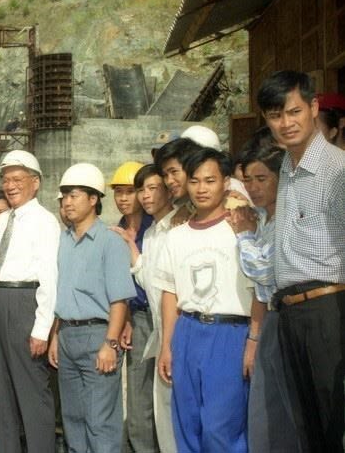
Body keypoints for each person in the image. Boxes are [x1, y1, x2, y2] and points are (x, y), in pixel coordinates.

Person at [257, 70, 345, 452]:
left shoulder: (338, 170)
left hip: (329, 313)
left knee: (335, 426)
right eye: (276, 115)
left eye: (294, 112)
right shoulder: (287, 169)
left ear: (313, 108)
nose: (286, 123)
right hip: (290, 315)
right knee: (307, 431)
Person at [155, 148, 264, 453]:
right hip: (187, 331)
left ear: (226, 182)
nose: (201, 189)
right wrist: (167, 345)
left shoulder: (242, 228)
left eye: (210, 180)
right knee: (187, 425)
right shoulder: (176, 236)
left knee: (221, 428)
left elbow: (260, 289)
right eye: (194, 181)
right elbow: (170, 293)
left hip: (230, 333)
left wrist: (253, 339)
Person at [49, 163, 135, 453]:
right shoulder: (62, 241)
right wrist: (56, 336)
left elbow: (119, 299)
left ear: (93, 198)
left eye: (74, 196)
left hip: (98, 335)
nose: (67, 202)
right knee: (73, 419)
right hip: (67, 335)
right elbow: (61, 294)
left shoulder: (110, 241)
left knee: (101, 420)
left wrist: (110, 343)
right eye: (65, 197)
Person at [0, 149, 60, 453]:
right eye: (6, 179)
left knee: (32, 390)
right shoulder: (3, 219)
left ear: (35, 182)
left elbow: (49, 276)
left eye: (17, 179)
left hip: (23, 300)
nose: (10, 185)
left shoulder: (45, 221)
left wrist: (42, 328)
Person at [227, 145, 305, 453]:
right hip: (269, 320)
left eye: (262, 179)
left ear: (280, 177)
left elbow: (261, 271)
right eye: (248, 180)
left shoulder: (287, 219)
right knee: (266, 409)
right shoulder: (260, 217)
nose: (253, 187)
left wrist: (244, 235)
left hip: (291, 319)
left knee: (287, 408)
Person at [107, 161, 158, 453]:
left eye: (130, 191)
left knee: (152, 396)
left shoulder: (155, 228)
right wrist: (125, 318)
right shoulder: (118, 229)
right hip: (134, 317)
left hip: (159, 315)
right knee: (136, 396)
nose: (123, 198)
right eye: (119, 192)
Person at [131, 164, 178, 453]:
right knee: (161, 411)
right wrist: (132, 250)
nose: (145, 196)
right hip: (158, 330)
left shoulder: (179, 227)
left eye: (152, 188)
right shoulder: (150, 234)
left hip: (177, 329)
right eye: (141, 190)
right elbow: (149, 280)